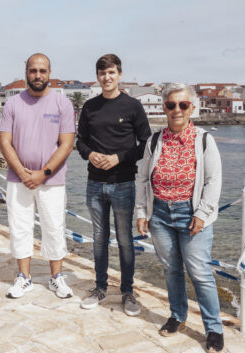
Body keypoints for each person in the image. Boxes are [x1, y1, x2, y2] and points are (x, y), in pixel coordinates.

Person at [135, 83, 224, 353]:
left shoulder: (204, 140)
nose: (176, 110)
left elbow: (213, 181)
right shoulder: (154, 140)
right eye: (171, 105)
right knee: (171, 269)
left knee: (199, 272)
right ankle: (178, 315)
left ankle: (214, 329)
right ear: (164, 107)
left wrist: (201, 214)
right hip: (160, 213)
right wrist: (142, 212)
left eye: (182, 105)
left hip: (191, 214)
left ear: (191, 108)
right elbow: (141, 178)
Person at [76, 54, 151, 315]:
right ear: (97, 77)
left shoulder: (132, 106)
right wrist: (90, 154)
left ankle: (127, 292)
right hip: (94, 184)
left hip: (123, 183)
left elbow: (146, 144)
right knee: (99, 238)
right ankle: (100, 287)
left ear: (119, 75)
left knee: (124, 240)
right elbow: (80, 141)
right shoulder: (89, 107)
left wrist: (118, 157)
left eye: (111, 73)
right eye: (102, 73)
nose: (106, 77)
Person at [0, 53, 76, 299]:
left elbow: (66, 144)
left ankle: (56, 278)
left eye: (42, 70)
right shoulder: (12, 104)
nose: (38, 75)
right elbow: (4, 142)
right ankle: (25, 277)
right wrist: (22, 172)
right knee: (19, 227)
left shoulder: (62, 104)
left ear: (49, 73)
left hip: (51, 180)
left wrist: (43, 173)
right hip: (17, 179)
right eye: (33, 70)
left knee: (54, 227)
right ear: (26, 73)